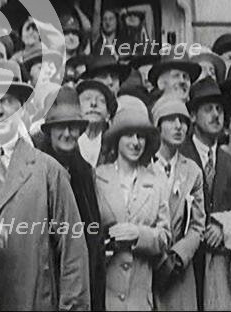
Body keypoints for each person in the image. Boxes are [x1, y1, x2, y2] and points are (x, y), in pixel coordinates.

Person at [0, 59, 90, 310]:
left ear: (22, 107)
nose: (1, 110)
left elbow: (73, 253)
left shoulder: (48, 172)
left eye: (9, 100)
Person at [179, 77, 231, 309]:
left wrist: (224, 226)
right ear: (192, 116)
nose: (216, 115)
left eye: (220, 109)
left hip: (222, 270)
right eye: (208, 109)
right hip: (185, 269)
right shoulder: (180, 156)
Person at [95, 95, 171, 311]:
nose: (135, 142)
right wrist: (106, 243)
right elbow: (88, 230)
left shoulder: (155, 181)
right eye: (128, 135)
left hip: (140, 298)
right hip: (105, 295)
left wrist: (139, 234)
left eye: (141, 136)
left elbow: (165, 236)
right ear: (117, 139)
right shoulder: (98, 178)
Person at [37, 87, 106, 311]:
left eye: (73, 127)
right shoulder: (36, 169)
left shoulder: (84, 172)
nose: (67, 133)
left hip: (80, 282)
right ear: (49, 131)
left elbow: (93, 238)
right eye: (60, 126)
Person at [151, 95, 206, 311]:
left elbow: (198, 224)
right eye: (171, 119)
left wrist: (177, 257)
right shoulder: (144, 166)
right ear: (157, 125)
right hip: (150, 266)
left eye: (183, 121)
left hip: (180, 271)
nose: (178, 126)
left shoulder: (192, 171)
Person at [77, 78, 118, 167]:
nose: (94, 103)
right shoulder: (67, 141)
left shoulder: (115, 145)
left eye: (101, 100)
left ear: (108, 114)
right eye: (87, 99)